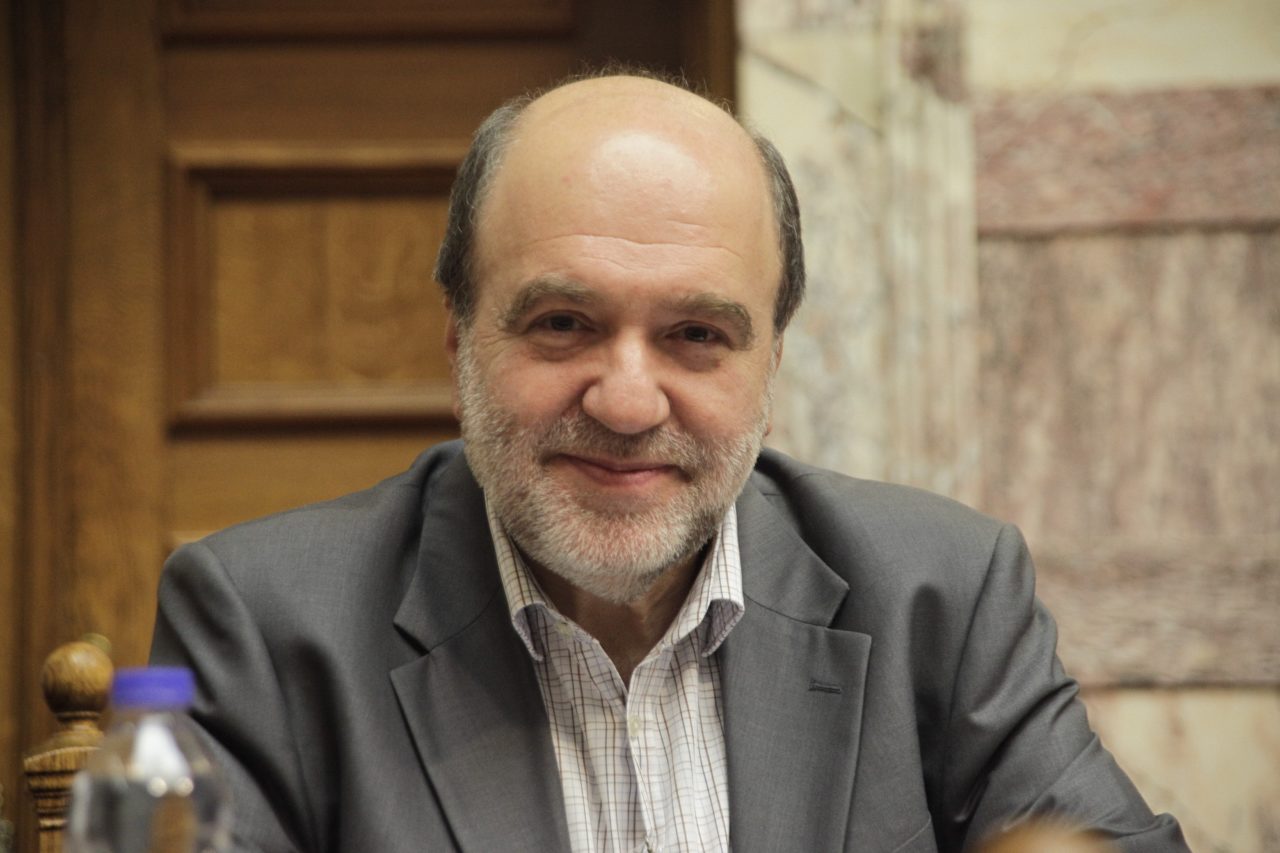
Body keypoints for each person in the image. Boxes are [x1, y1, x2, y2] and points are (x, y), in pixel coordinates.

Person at [150, 72, 1189, 852]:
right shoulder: (266, 623)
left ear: (770, 364)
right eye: (562, 323)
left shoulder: (939, 593)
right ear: (460, 344)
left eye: (696, 335)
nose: (627, 401)